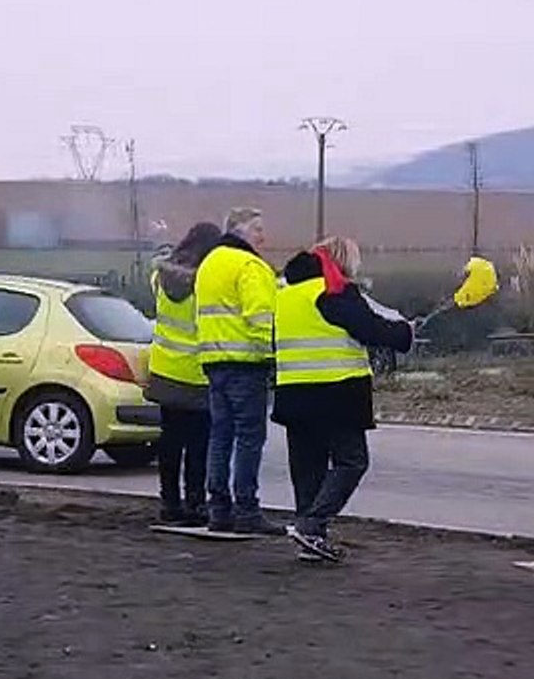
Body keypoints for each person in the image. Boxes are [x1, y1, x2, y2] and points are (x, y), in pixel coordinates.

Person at [273, 237, 414, 562]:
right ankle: (312, 525)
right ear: (344, 261)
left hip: (293, 393)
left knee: (308, 469)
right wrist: (405, 333)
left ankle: (310, 538)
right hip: (336, 393)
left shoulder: (287, 294)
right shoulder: (336, 291)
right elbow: (369, 329)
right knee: (352, 462)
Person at [194, 207, 282, 535]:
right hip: (247, 362)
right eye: (257, 229)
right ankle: (247, 509)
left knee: (220, 436)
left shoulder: (209, 264)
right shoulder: (250, 265)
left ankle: (219, 509)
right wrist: (273, 353)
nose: (263, 236)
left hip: (213, 361)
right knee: (249, 437)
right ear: (239, 230)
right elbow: (260, 317)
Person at [144, 222, 223, 527]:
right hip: (197, 371)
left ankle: (169, 502)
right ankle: (195, 503)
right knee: (199, 443)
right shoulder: (206, 284)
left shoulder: (159, 277)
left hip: (164, 369)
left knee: (170, 441)